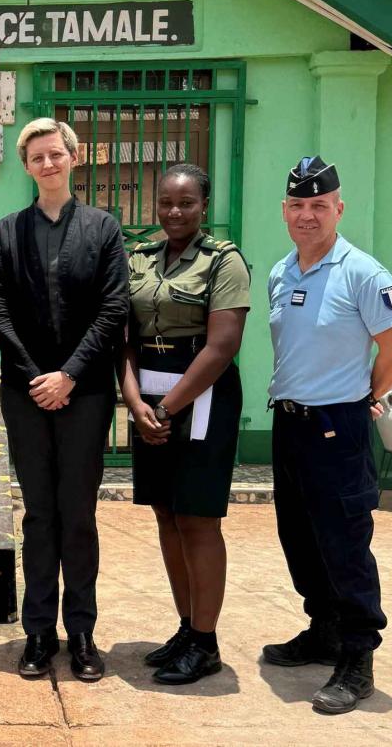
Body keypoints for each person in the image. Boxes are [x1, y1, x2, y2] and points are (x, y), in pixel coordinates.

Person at [263, 156, 392, 714]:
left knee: (345, 543)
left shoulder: (364, 274)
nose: (308, 215)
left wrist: (365, 397)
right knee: (298, 535)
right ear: (285, 211)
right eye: (298, 206)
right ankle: (322, 630)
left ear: (338, 209)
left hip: (336, 426)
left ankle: (357, 658)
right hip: (290, 422)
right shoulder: (283, 271)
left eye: (319, 206)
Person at [0, 118, 128, 682]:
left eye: (56, 155)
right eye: (37, 157)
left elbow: (113, 308)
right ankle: (39, 632)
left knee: (79, 516)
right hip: (25, 397)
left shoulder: (102, 228)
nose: (48, 164)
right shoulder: (7, 232)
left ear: (74, 158)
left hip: (86, 393)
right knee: (39, 515)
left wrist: (68, 375)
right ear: (26, 166)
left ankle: (83, 632)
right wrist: (35, 376)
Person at [117, 163, 250, 685]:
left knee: (197, 518)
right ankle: (185, 628)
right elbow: (123, 337)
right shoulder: (141, 258)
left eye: (186, 203)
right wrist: (133, 402)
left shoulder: (225, 261)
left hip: (201, 399)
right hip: (147, 398)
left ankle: (206, 640)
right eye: (166, 203)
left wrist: (167, 409)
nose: (174, 212)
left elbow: (222, 347)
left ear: (204, 207)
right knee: (166, 515)